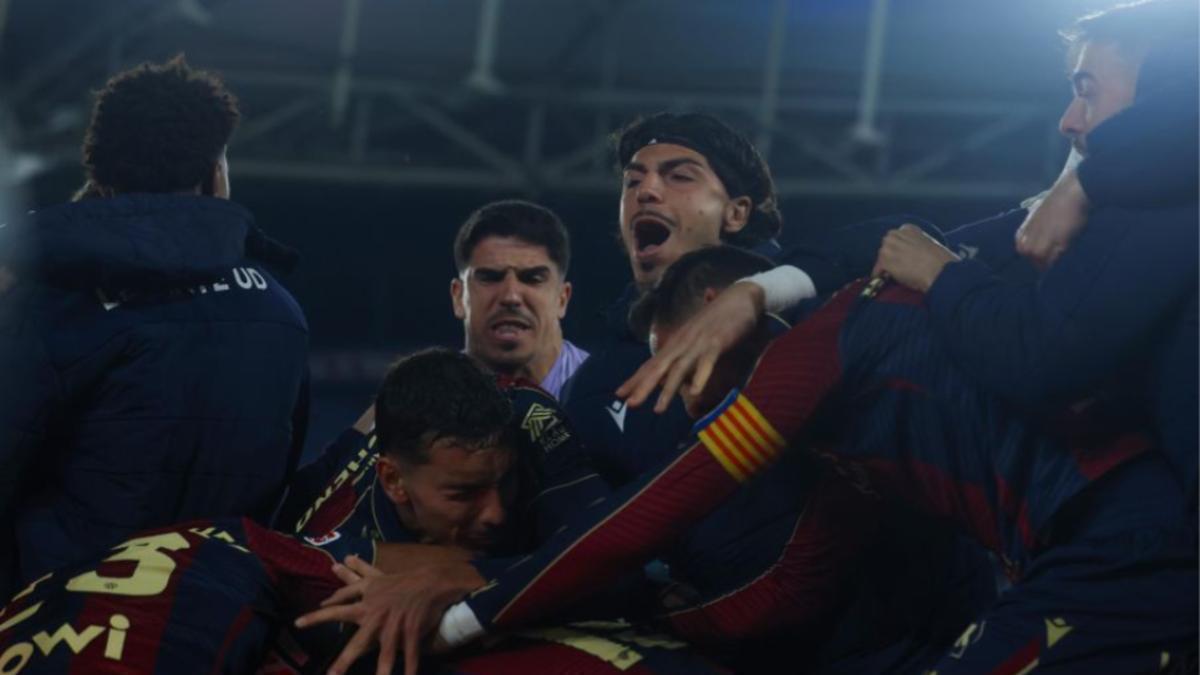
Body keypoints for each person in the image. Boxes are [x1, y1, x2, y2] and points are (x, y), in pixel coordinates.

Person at [0, 57, 309, 598]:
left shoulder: (42, 298)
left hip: (55, 621)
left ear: (99, 175)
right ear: (215, 173)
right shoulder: (280, 312)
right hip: (215, 618)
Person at [451, 200, 588, 399]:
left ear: (562, 299)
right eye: (490, 278)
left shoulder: (614, 391)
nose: (511, 297)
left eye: (532, 279)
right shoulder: (423, 404)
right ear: (458, 297)